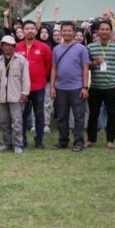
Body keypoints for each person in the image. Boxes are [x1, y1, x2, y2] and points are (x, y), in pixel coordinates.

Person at [49, 23, 91, 152]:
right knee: (62, 116)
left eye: (69, 31)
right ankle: (63, 141)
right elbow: (54, 69)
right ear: (60, 32)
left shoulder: (81, 48)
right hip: (61, 87)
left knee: (78, 116)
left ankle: (78, 142)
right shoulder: (56, 49)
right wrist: (52, 87)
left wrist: (85, 87)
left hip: (77, 87)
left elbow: (86, 68)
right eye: (64, 30)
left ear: (74, 32)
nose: (67, 33)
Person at [85, 21, 115, 149]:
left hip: (111, 87)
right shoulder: (90, 47)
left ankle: (110, 140)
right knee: (93, 114)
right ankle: (91, 139)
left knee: (111, 114)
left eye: (106, 29)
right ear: (97, 31)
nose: (104, 31)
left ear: (111, 31)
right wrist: (96, 62)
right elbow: (86, 67)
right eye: (101, 29)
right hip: (95, 87)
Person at [15, 20, 52, 149]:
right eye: (27, 28)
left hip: (39, 87)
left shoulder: (44, 47)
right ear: (23, 31)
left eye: (32, 28)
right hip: (22, 88)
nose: (30, 30)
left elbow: (48, 66)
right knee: (23, 114)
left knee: (39, 114)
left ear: (36, 31)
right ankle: (22, 140)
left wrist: (40, 77)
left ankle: (39, 141)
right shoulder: (17, 47)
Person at [0, 35, 30, 153]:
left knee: (17, 121)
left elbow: (26, 77)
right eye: (4, 44)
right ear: (2, 46)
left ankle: (18, 144)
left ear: (14, 47)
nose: (7, 47)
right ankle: (6, 143)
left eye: (9, 45)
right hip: (2, 96)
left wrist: (25, 93)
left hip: (16, 95)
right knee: (3, 121)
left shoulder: (21, 60)